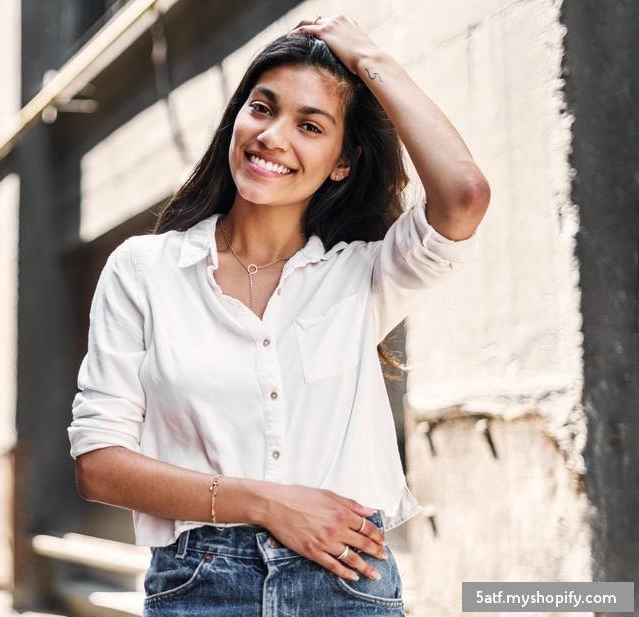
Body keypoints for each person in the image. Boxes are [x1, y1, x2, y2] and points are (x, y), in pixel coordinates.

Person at [68, 14, 489, 616]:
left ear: (342, 162)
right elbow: (99, 465)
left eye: (310, 125)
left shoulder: (363, 275)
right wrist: (267, 503)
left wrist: (373, 60)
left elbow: (464, 195)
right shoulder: (144, 270)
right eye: (262, 108)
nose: (272, 135)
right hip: (199, 586)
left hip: (345, 585)